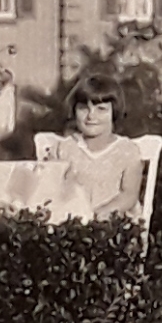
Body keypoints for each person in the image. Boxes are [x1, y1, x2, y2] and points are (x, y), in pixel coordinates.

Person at [55, 73, 145, 221]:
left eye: (101, 109)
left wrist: (99, 214)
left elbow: (129, 194)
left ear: (114, 112)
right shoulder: (65, 148)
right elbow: (52, 188)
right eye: (83, 108)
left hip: (111, 222)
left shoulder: (127, 151)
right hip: (72, 221)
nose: (91, 116)